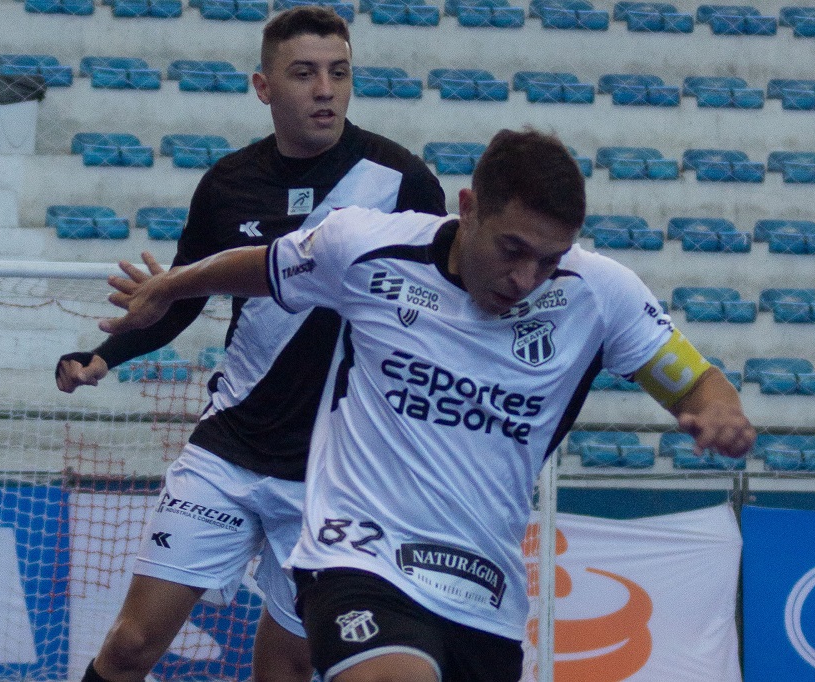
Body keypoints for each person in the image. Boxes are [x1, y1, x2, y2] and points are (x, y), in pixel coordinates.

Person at [98, 128, 756, 682]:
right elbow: (263, 265)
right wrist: (173, 288)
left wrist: (717, 409)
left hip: (484, 590)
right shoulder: (366, 247)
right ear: (468, 208)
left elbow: (692, 379)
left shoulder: (601, 292)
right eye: (513, 251)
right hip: (358, 556)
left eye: (549, 261)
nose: (526, 281)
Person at [55, 6, 446, 682]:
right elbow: (177, 298)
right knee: (128, 645)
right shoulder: (227, 183)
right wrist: (103, 356)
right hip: (228, 451)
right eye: (304, 74)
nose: (325, 89)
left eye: (339, 73)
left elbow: (439, 311)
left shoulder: (403, 184)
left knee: (290, 668)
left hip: (333, 476)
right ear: (264, 87)